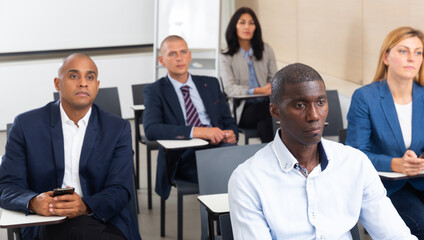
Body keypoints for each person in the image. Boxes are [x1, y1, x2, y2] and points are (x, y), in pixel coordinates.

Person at [228, 63, 416, 239]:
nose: (315, 116)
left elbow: (395, 235)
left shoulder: (355, 163)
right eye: (300, 105)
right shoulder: (247, 179)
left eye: (320, 102)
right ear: (275, 111)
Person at [0, 53, 141, 240]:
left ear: (97, 86)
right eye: (74, 76)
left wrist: (84, 206)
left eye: (89, 77)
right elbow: (7, 185)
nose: (83, 83)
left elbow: (120, 189)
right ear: (57, 83)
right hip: (46, 223)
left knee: (80, 228)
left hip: (102, 220)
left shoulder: (117, 128)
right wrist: (33, 202)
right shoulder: (26, 125)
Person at [346, 26, 424, 239]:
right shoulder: (365, 97)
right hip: (386, 186)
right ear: (386, 57)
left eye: (418, 52)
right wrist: (396, 163)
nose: (411, 58)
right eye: (403, 51)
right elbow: (356, 154)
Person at [143, 35, 238, 200]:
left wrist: (230, 133)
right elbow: (152, 129)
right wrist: (198, 131)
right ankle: (219, 220)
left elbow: (228, 120)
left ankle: (224, 218)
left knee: (243, 165)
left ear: (190, 55)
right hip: (184, 155)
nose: (179, 58)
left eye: (183, 52)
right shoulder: (155, 90)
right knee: (230, 173)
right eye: (172, 54)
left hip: (218, 147)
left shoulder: (210, 84)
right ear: (161, 60)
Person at [220, 7, 277, 143]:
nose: (247, 27)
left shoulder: (266, 50)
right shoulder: (226, 56)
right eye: (242, 22)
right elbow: (229, 88)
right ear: (234, 26)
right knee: (266, 113)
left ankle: (272, 159)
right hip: (242, 109)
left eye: (251, 23)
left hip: (266, 106)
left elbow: (275, 79)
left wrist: (271, 88)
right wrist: (258, 91)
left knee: (264, 124)